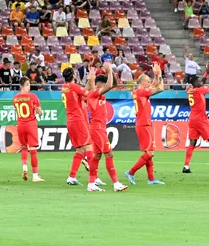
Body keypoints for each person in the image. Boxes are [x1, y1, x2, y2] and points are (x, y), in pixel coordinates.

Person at [85, 62, 128, 192]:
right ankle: (116, 183)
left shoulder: (98, 94)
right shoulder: (93, 94)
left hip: (99, 128)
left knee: (97, 156)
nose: (105, 87)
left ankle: (91, 183)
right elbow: (110, 85)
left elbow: (113, 84)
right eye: (103, 85)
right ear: (100, 85)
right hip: (97, 128)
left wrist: (111, 73)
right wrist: (109, 71)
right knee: (108, 153)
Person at [62, 67, 105, 186]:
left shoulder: (65, 87)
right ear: (74, 75)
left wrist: (90, 80)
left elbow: (82, 91)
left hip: (70, 121)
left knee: (80, 149)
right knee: (89, 146)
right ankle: (94, 178)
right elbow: (89, 93)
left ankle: (71, 176)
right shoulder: (73, 86)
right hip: (78, 120)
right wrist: (91, 80)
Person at [125, 63, 165, 185]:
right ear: (142, 82)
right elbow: (155, 86)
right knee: (150, 152)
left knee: (149, 151)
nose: (149, 83)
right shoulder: (141, 92)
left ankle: (151, 178)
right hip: (143, 124)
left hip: (145, 124)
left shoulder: (140, 92)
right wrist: (157, 75)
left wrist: (159, 75)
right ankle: (131, 172)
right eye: (147, 81)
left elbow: (160, 88)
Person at [13, 76, 45, 182]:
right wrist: (39, 111)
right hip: (30, 124)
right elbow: (40, 112)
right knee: (33, 149)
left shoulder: (15, 97)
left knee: (23, 147)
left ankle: (24, 167)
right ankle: (35, 175)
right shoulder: (32, 96)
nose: (30, 86)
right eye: (29, 84)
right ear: (26, 85)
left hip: (20, 124)